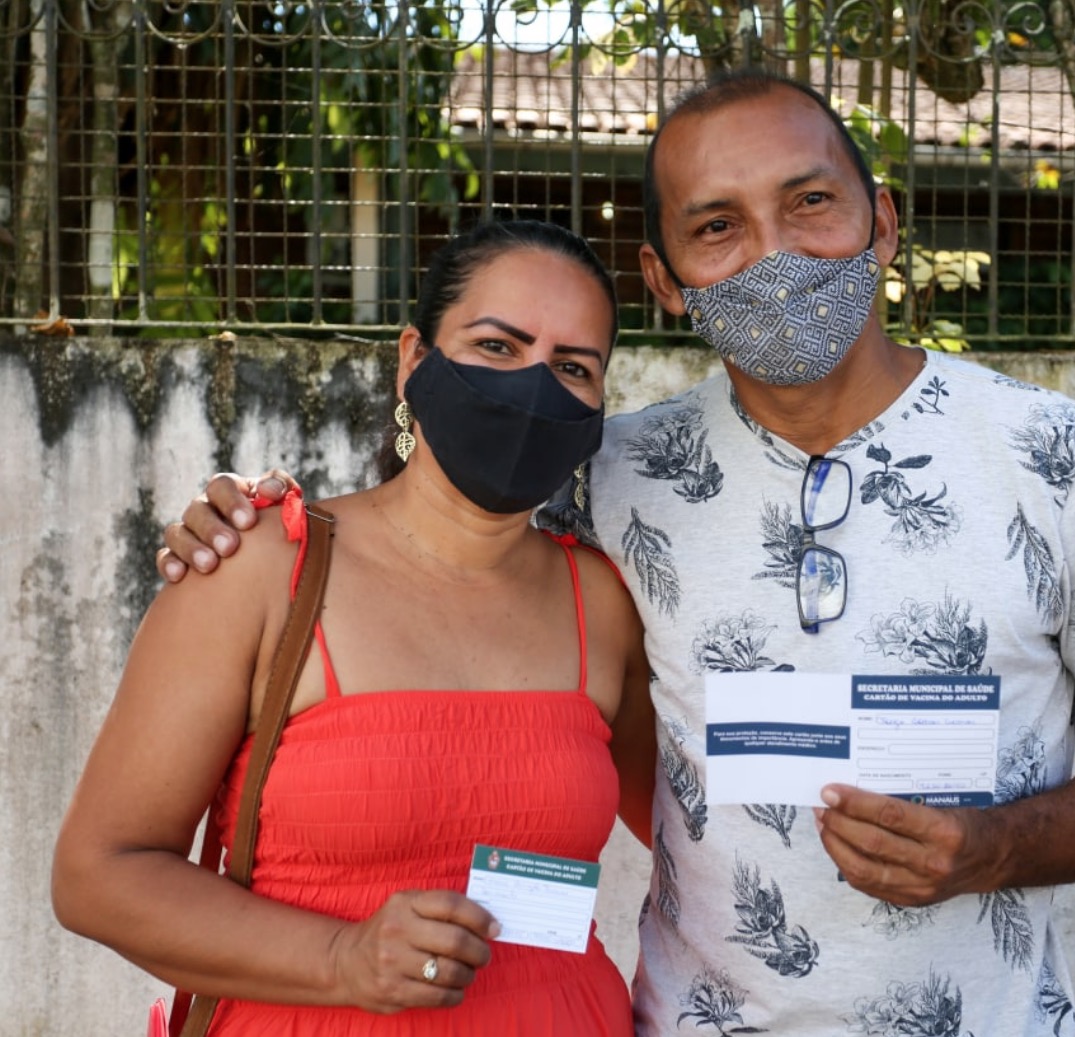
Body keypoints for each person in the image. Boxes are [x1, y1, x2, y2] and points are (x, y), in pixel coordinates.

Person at [156, 72, 1075, 1037]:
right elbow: (445, 536)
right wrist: (247, 517)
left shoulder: (1051, 455)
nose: (772, 253)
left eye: (810, 201)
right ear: (667, 278)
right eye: (717, 226)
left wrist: (999, 846)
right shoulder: (609, 473)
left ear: (885, 222)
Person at [53, 220, 657, 1036]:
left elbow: (697, 828)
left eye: (572, 367)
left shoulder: (607, 602)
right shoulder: (263, 566)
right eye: (497, 346)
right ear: (414, 360)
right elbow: (98, 874)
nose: (533, 388)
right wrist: (343, 957)